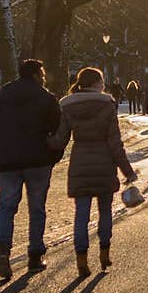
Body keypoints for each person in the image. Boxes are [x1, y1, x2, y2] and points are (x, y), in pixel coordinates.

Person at [47, 67, 136, 277]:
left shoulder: (68, 106)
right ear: (97, 83)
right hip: (104, 164)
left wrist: (42, 141)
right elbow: (115, 143)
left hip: (80, 163)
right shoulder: (107, 105)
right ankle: (104, 253)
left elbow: (60, 139)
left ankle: (81, 259)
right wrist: (127, 171)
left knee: (81, 214)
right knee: (105, 212)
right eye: (102, 81)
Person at [0, 59, 62, 279]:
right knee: (37, 208)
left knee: (7, 206)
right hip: (38, 161)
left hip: (8, 161)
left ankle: (2, 248)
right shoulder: (46, 98)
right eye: (43, 73)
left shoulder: (4, 97)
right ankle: (35, 255)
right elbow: (58, 132)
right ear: (37, 75)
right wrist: (53, 157)